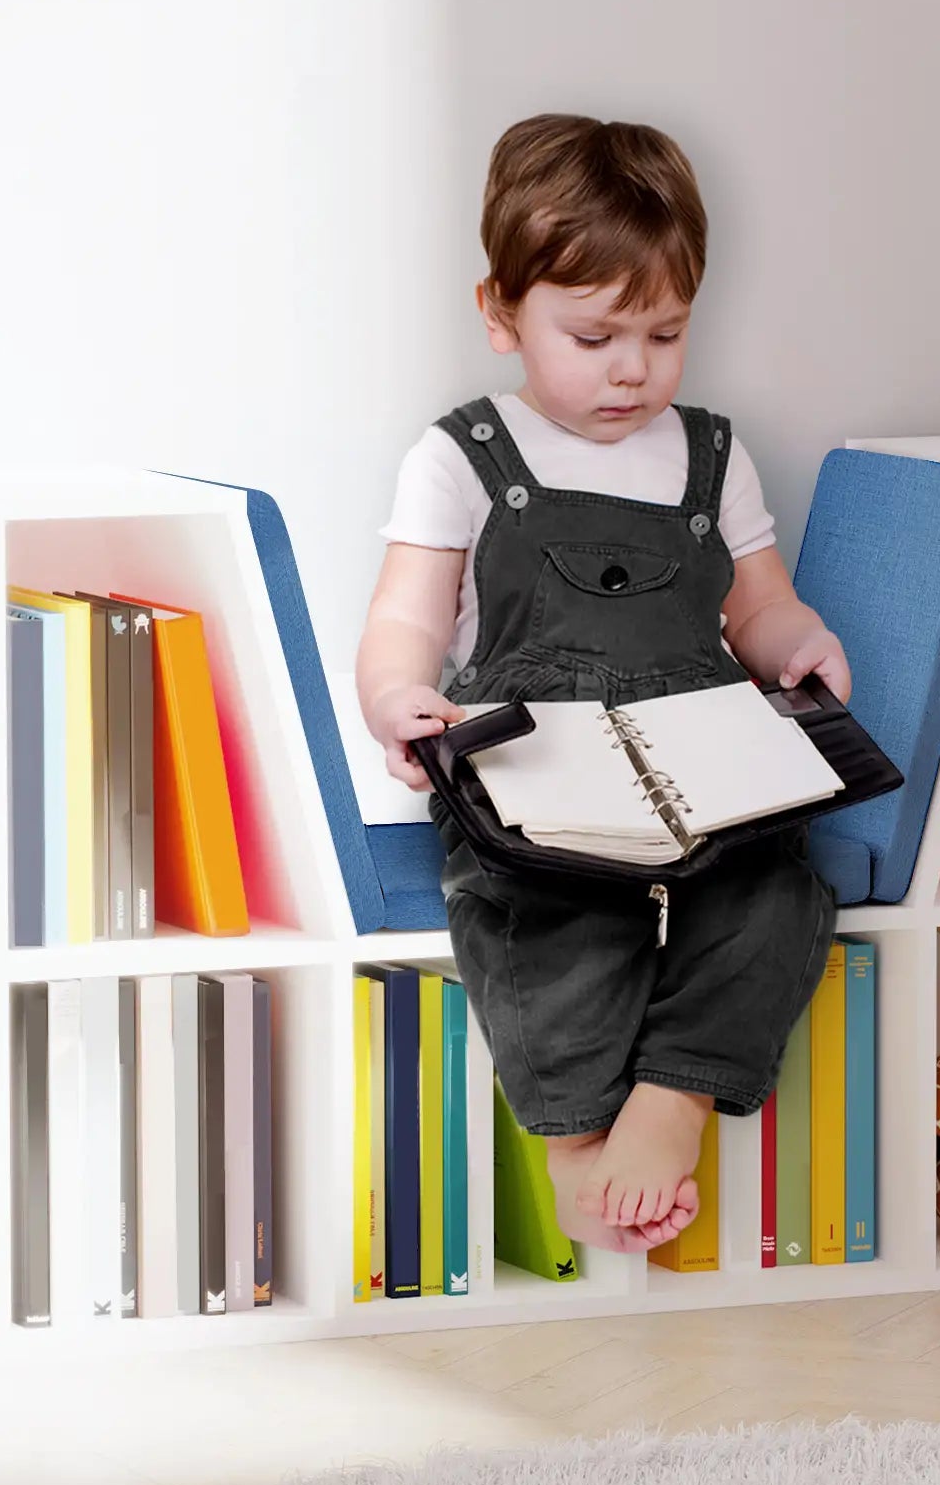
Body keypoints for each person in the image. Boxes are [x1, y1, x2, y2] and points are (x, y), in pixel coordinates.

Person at [356, 114, 846, 1251]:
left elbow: (756, 605)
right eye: (594, 335)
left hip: (699, 772)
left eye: (665, 333)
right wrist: (396, 699)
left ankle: (676, 1094)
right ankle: (577, 1134)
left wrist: (797, 641)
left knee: (777, 898)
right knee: (546, 924)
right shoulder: (460, 457)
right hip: (535, 780)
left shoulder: (711, 456)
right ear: (499, 314)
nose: (633, 367)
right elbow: (405, 615)